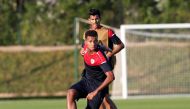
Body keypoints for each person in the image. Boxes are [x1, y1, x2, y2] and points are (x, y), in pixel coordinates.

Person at [80, 8, 124, 109]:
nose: (95, 21)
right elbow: (84, 49)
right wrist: (82, 51)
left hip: (104, 68)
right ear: (89, 20)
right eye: (92, 19)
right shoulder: (87, 33)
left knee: (102, 97)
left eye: (97, 19)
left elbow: (120, 45)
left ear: (100, 19)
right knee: (100, 98)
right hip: (92, 68)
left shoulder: (107, 31)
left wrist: (109, 54)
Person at [67, 30, 115, 109]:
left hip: (97, 87)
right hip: (86, 81)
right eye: (90, 41)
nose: (93, 44)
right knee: (70, 93)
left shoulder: (100, 57)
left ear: (97, 40)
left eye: (95, 41)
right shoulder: (85, 47)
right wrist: (108, 49)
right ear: (85, 42)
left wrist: (95, 92)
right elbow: (100, 46)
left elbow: (111, 76)